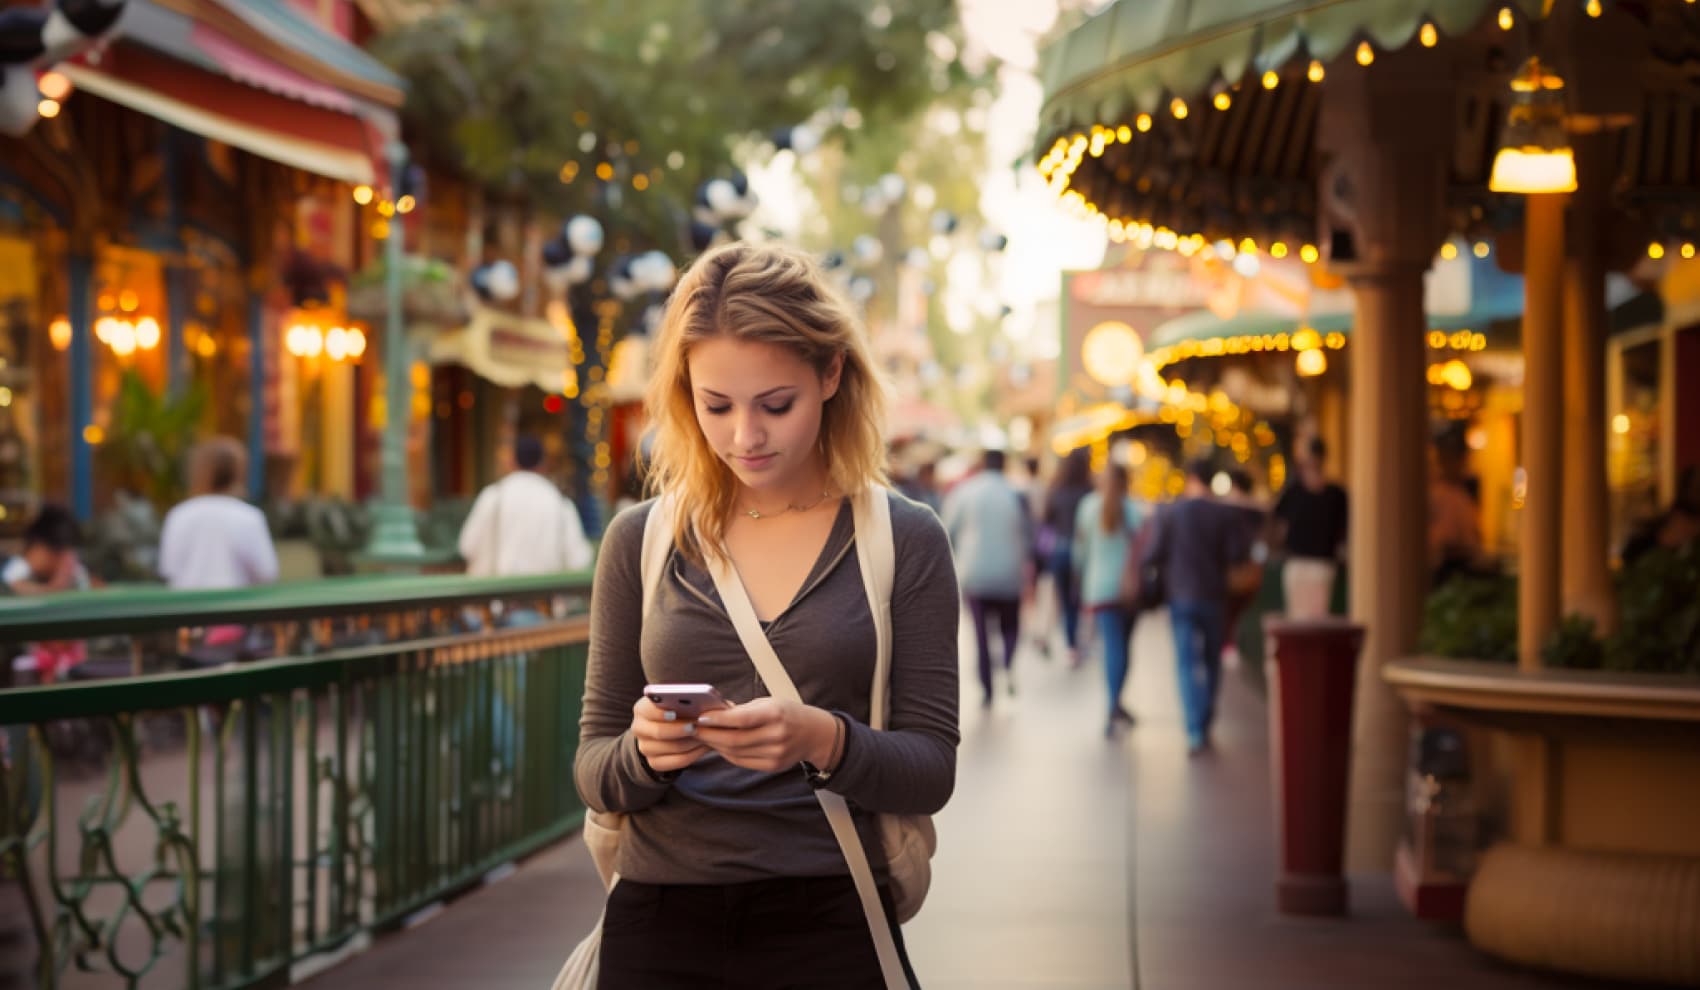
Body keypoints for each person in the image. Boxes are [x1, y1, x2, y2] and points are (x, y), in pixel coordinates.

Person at [574, 241, 959, 988]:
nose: (745, 437)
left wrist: (824, 739)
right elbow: (593, 770)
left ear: (831, 374)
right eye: (715, 406)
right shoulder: (640, 541)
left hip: (831, 915)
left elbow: (931, 771)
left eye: (775, 405)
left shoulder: (904, 539)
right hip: (659, 922)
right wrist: (644, 753)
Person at [1142, 459, 1252, 754]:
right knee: (1211, 659)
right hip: (1214, 596)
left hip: (1181, 596)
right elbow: (1237, 554)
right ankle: (1204, 718)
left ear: (1190, 479)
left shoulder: (1171, 512)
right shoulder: (1223, 514)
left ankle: (1193, 727)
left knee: (1185, 662)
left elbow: (1153, 553)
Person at [941, 447, 1033, 707]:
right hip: (1010, 574)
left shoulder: (966, 493)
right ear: (1004, 465)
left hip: (975, 574)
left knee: (981, 635)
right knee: (1011, 628)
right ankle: (1007, 663)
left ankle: (987, 688)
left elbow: (947, 530)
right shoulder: (1016, 494)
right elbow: (1028, 534)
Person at [457, 434, 594, 579]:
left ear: (512, 461)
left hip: (497, 596)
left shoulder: (492, 496)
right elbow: (579, 560)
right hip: (545, 597)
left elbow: (467, 547)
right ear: (543, 463)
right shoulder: (560, 503)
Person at [1071, 461, 1141, 737]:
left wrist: (1080, 577)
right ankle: (1115, 703)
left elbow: (1080, 550)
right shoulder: (1134, 509)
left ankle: (1114, 703)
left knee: (1112, 647)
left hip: (1099, 587)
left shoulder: (1088, 507)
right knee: (1122, 648)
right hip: (1128, 590)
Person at [159, 437, 279, 593]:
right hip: (236, 610)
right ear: (239, 472)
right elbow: (267, 572)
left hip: (187, 610)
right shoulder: (248, 517)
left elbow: (169, 568)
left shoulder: (179, 514)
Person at [5, 504, 90, 683]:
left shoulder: (73, 574)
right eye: (58, 553)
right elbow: (13, 585)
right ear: (39, 547)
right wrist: (56, 588)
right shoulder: (16, 570)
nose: (62, 559)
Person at [1270, 436, 1347, 619]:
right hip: (1297, 563)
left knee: (1316, 619)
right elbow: (1279, 523)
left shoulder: (1335, 495)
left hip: (1321, 564)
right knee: (1296, 617)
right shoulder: (1294, 491)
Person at [1040, 448, 1093, 662]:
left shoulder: (1057, 491)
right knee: (1079, 599)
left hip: (1060, 550)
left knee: (1064, 600)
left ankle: (1071, 643)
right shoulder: (1088, 492)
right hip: (1082, 551)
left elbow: (1046, 521)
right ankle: (1079, 640)